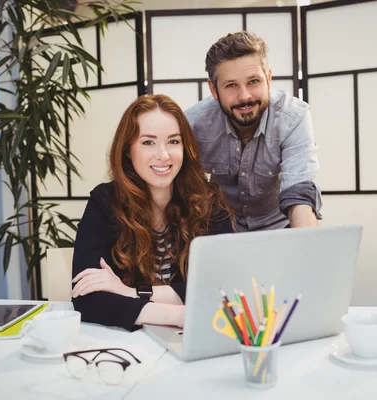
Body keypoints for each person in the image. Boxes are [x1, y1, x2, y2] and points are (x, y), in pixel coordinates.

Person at [71, 94, 235, 332]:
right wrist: (181, 315)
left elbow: (223, 286)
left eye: (173, 141)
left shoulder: (209, 200)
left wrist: (129, 293)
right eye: (148, 142)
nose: (164, 155)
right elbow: (87, 299)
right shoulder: (105, 202)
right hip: (131, 344)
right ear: (128, 150)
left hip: (198, 339)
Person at [185, 31, 322, 232]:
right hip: (221, 228)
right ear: (214, 89)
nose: (245, 96)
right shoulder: (194, 123)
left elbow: (299, 192)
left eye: (254, 81)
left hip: (280, 225)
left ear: (268, 78)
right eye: (231, 85)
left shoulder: (293, 117)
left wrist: (306, 248)